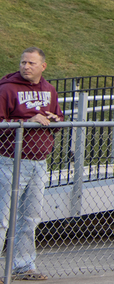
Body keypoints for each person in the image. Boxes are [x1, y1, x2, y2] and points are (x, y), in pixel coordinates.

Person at [0, 48, 63, 280]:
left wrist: (56, 120)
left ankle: (24, 266)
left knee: (30, 218)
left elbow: (58, 116)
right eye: (23, 62)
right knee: (2, 217)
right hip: (10, 160)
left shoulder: (49, 89)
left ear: (43, 66)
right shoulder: (7, 89)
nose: (26, 66)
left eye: (31, 63)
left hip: (39, 162)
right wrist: (26, 121)